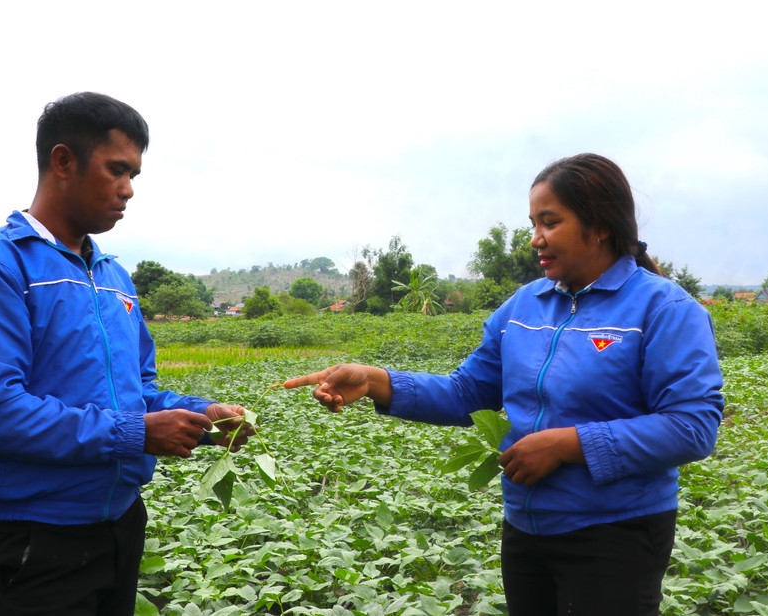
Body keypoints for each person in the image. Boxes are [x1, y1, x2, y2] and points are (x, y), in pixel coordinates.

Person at [285, 153, 724, 616]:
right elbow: (466, 394)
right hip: (526, 530)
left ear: (599, 225)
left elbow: (692, 426)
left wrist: (568, 445)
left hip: (617, 534)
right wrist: (376, 380)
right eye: (533, 224)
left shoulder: (664, 309)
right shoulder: (523, 307)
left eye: (550, 222)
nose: (536, 239)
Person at [0, 92, 254, 616]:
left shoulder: (113, 276)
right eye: (116, 170)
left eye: (134, 175)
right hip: (33, 539)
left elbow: (139, 391)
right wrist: (137, 434)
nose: (128, 190)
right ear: (63, 161)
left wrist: (201, 415)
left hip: (121, 522)